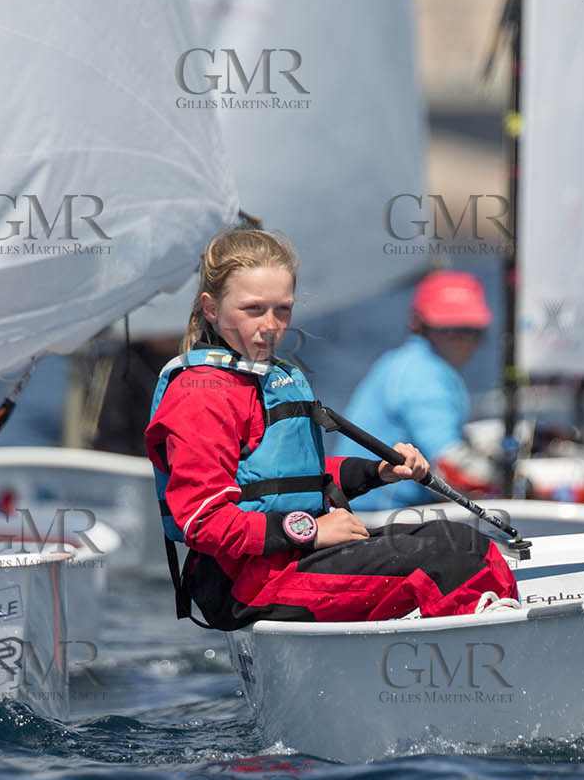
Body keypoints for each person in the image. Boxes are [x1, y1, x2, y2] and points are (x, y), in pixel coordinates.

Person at [144, 228, 517, 630]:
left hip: (289, 563)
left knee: (463, 540)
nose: (270, 326)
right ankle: (486, 661)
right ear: (212, 309)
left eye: (282, 310)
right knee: (454, 560)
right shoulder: (199, 394)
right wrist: (310, 531)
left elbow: (297, 479)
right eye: (253, 309)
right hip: (247, 584)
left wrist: (378, 471)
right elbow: (202, 522)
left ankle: (486, 641)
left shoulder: (266, 376)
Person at [331, 270, 498, 510]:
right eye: (449, 330)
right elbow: (455, 469)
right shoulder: (423, 374)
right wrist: (527, 486)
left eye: (471, 330)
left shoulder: (404, 362)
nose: (463, 341)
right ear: (420, 325)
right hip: (379, 517)